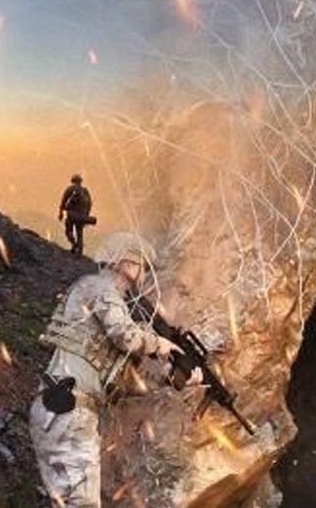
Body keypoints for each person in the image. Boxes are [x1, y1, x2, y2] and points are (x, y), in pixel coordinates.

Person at [29, 232, 196, 507]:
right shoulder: (97, 287)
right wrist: (158, 343)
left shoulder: (108, 309)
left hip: (71, 411)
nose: (144, 275)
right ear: (128, 264)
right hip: (67, 407)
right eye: (142, 267)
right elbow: (126, 336)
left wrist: (176, 380)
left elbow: (127, 384)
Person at [59, 174, 93, 256]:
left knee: (68, 231)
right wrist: (86, 215)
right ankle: (79, 251)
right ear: (80, 181)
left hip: (72, 215)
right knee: (80, 233)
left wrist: (61, 212)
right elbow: (89, 204)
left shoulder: (70, 189)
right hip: (82, 216)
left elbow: (63, 201)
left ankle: (74, 244)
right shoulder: (85, 191)